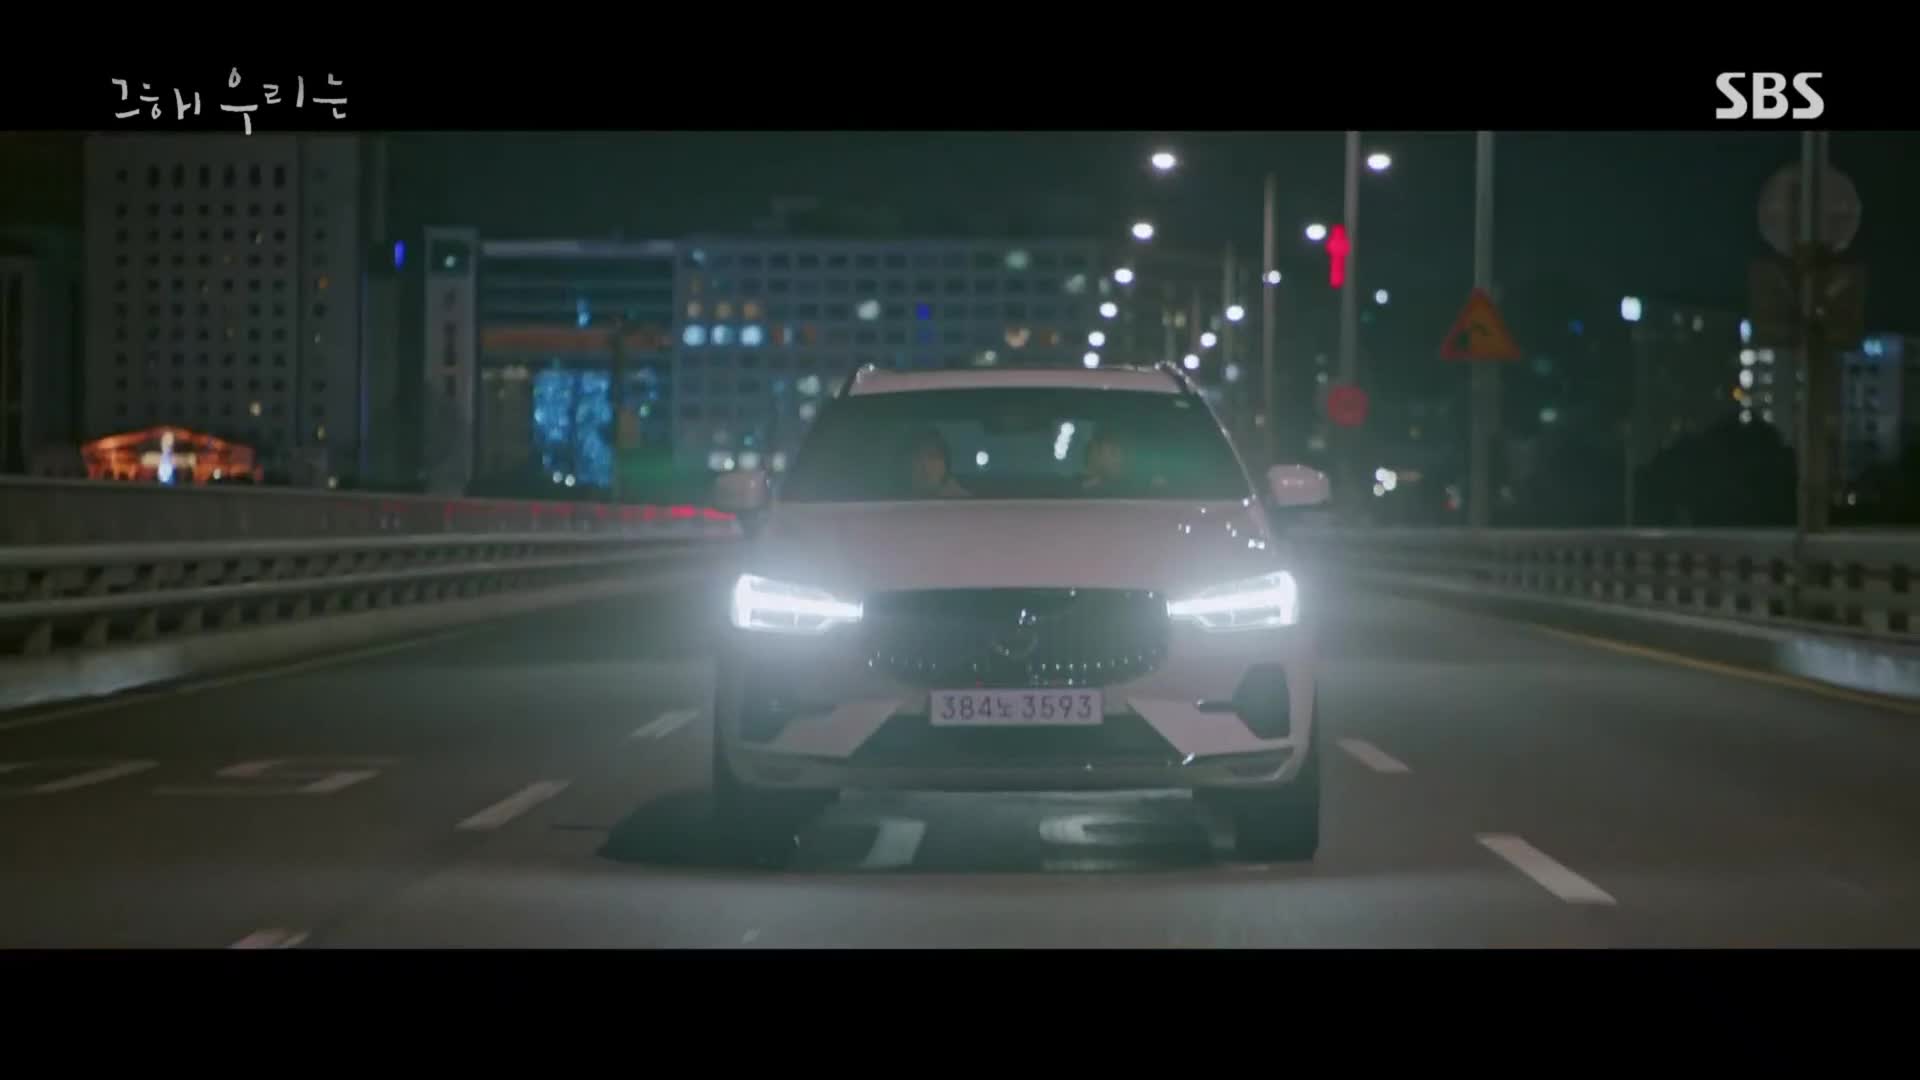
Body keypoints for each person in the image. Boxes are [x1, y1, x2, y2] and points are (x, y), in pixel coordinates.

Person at [905, 428, 970, 498]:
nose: (925, 465)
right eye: (918, 458)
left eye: (932, 456)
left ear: (945, 465)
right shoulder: (899, 500)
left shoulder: (963, 500)